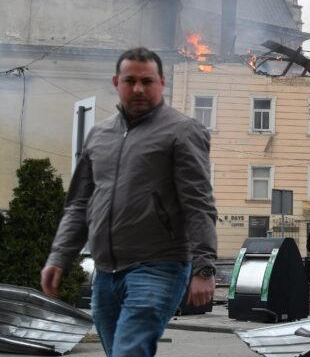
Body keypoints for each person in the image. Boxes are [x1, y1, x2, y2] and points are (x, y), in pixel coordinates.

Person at [40, 47, 218, 357]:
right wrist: (59, 256)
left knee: (128, 352)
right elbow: (79, 204)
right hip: (106, 273)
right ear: (116, 82)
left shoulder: (182, 131)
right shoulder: (99, 135)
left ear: (161, 83)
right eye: (130, 80)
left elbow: (198, 202)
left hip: (159, 266)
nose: (138, 89)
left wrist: (203, 267)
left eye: (147, 81)